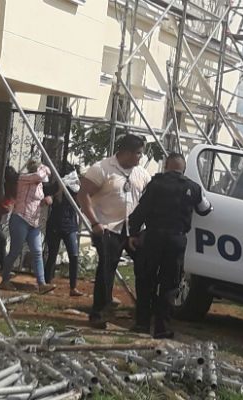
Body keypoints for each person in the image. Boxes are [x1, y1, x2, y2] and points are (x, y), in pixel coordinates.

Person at [128, 152, 213, 338]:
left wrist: (133, 233)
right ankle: (162, 328)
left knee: (146, 281)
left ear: (166, 165)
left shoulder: (155, 184)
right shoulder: (193, 187)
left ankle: (142, 324)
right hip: (176, 240)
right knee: (170, 284)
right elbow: (206, 209)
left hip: (153, 237)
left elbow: (140, 211)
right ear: (183, 168)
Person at [77, 134, 151, 329]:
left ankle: (144, 313)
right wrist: (94, 223)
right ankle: (99, 313)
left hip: (132, 231)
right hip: (107, 228)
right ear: (125, 152)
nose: (140, 157)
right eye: (137, 153)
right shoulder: (102, 168)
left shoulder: (141, 173)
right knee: (106, 269)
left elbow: (146, 200)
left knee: (145, 267)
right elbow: (83, 194)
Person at [0, 157, 56, 294]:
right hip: (20, 219)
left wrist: (46, 200)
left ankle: (42, 284)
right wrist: (46, 168)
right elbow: (39, 175)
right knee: (15, 251)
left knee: (37, 252)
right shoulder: (24, 178)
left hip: (34, 223)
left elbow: (37, 198)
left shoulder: (39, 184)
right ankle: (4, 280)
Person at [44, 163, 84, 297]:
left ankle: (73, 287)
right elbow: (46, 190)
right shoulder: (56, 187)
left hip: (70, 226)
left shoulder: (75, 188)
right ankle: (46, 283)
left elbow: (81, 201)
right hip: (55, 225)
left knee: (74, 256)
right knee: (52, 255)